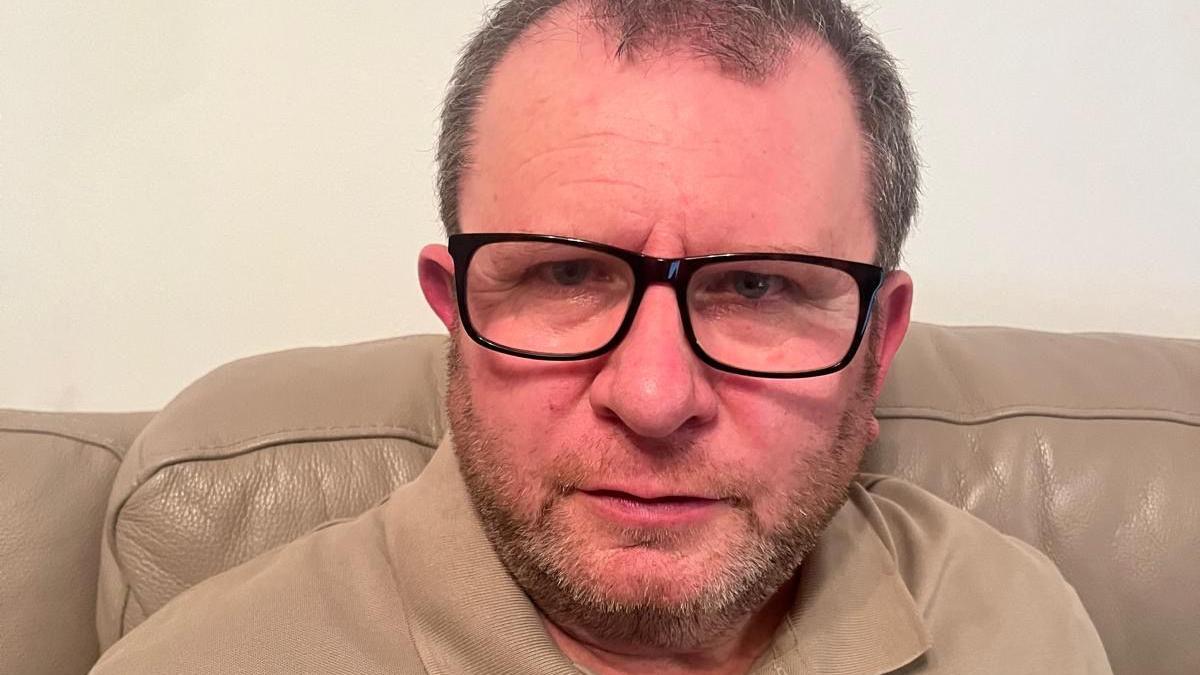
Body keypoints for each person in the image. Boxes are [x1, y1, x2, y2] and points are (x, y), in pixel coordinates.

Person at [92, 1, 1112, 673]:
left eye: (758, 287)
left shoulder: (1017, 627)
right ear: (454, 310)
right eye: (566, 275)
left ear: (877, 346)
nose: (655, 398)